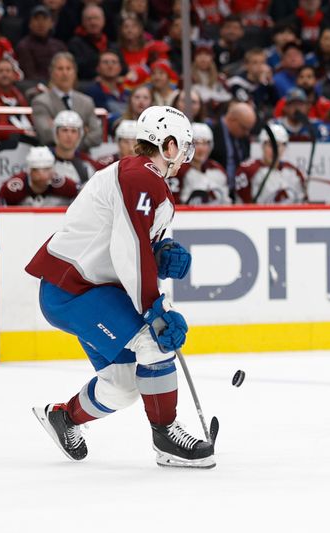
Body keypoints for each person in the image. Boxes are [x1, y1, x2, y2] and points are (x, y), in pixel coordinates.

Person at [27, 105, 215, 468]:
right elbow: (128, 245)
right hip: (75, 290)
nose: (185, 158)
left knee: (124, 383)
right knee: (154, 341)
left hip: (89, 290)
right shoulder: (141, 175)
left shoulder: (139, 176)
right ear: (169, 145)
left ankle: (63, 417)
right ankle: (167, 437)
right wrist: (154, 306)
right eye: (184, 147)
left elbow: (129, 241)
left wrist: (159, 252)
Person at [31, 52, 103, 150]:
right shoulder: (40, 102)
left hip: (82, 156)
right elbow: (46, 134)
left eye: (68, 68)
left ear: (74, 72)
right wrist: (83, 131)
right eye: (60, 69)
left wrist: (72, 144)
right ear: (52, 72)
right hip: (52, 156)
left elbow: (97, 135)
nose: (65, 73)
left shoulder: (87, 101)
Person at [234, 123, 307, 204]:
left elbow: (302, 204)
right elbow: (243, 207)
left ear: (284, 147)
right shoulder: (247, 171)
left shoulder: (293, 172)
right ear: (262, 146)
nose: (275, 151)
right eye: (270, 145)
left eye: (278, 145)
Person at [171, 122, 230, 205]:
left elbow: (226, 202)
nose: (201, 148)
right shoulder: (177, 170)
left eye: (205, 143)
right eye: (196, 143)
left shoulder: (218, 170)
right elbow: (173, 203)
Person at [0, 146, 78, 207]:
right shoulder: (14, 187)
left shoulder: (63, 184)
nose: (43, 174)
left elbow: (79, 195)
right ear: (29, 171)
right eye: (37, 169)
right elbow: (1, 208)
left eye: (47, 169)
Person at [51, 111, 102, 184]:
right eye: (64, 130)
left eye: (73, 131)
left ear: (79, 135)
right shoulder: (43, 161)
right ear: (56, 133)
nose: (69, 135)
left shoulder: (88, 165)